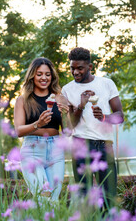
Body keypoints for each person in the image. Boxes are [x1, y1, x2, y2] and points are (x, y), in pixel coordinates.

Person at [61, 47, 124, 209]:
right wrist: (81, 106)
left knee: (109, 197)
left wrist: (103, 117)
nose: (75, 72)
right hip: (80, 145)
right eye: (72, 68)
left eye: (79, 68)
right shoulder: (67, 90)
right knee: (84, 198)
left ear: (90, 67)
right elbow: (71, 126)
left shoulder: (106, 84)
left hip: (104, 146)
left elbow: (120, 116)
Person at [14, 57, 69, 201]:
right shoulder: (22, 100)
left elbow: (67, 131)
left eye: (48, 74)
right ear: (32, 76)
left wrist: (67, 114)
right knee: (43, 198)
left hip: (56, 149)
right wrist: (37, 124)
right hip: (32, 150)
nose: (44, 78)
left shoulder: (60, 98)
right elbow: (18, 131)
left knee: (54, 199)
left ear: (52, 76)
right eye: (39, 74)